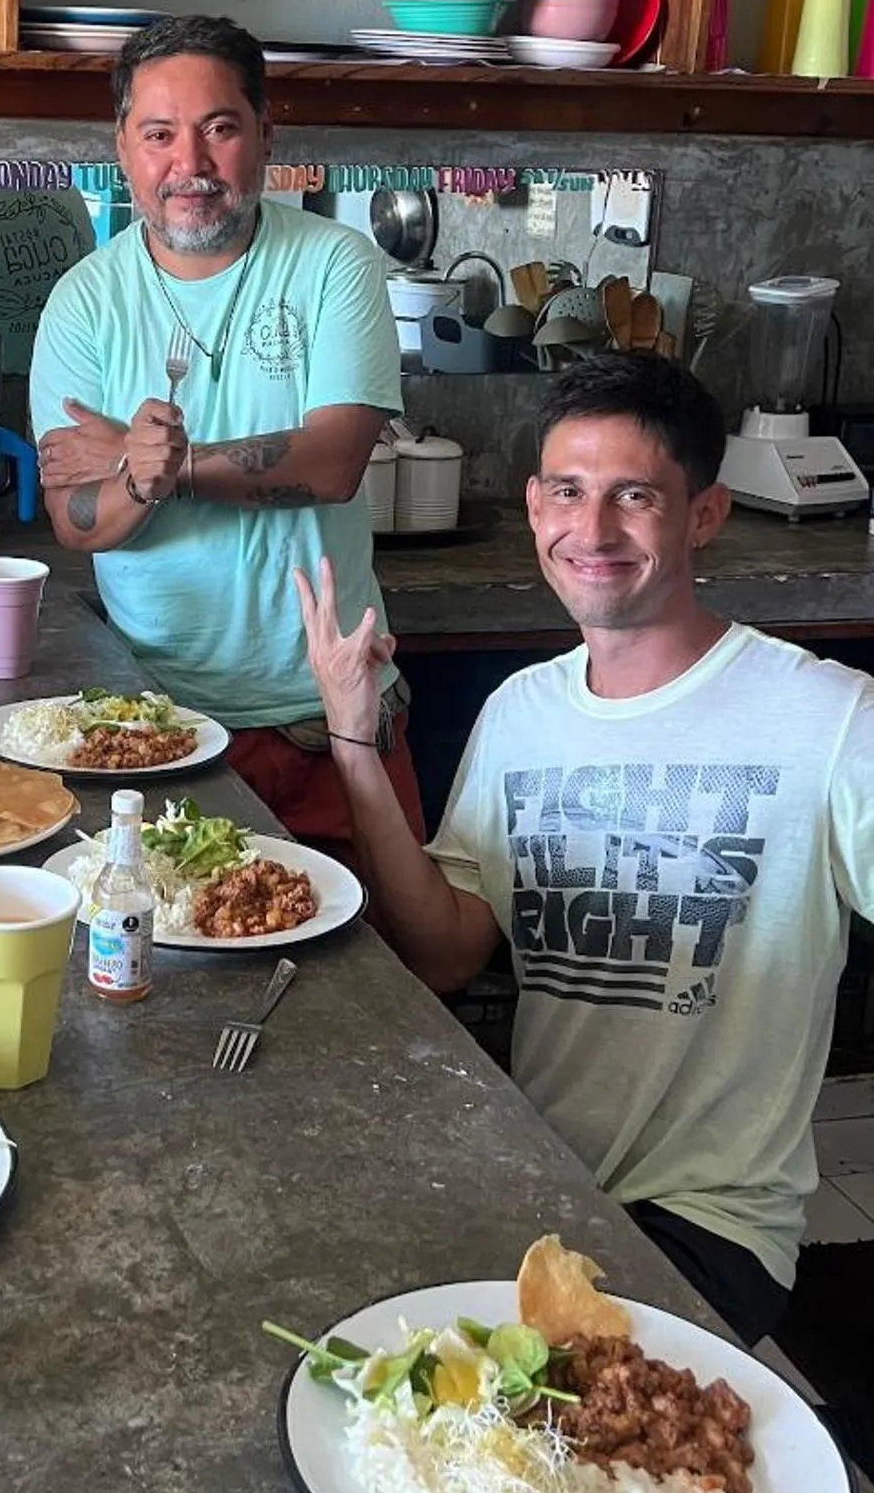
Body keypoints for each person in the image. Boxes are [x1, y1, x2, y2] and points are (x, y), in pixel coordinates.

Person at [297, 350, 874, 1346]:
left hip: (710, 1222)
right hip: (541, 1182)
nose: (592, 530)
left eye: (633, 496)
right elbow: (445, 950)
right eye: (568, 491)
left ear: (704, 515)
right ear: (533, 506)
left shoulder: (825, 719)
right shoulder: (520, 714)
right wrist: (353, 737)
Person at [30, 14, 422, 853]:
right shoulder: (83, 301)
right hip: (156, 730)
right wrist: (131, 481)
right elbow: (74, 520)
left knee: (389, 975)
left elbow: (334, 463)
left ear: (265, 134)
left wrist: (156, 467)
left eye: (219, 129)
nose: (190, 165)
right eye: (160, 134)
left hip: (334, 721)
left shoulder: (333, 264)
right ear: (124, 146)